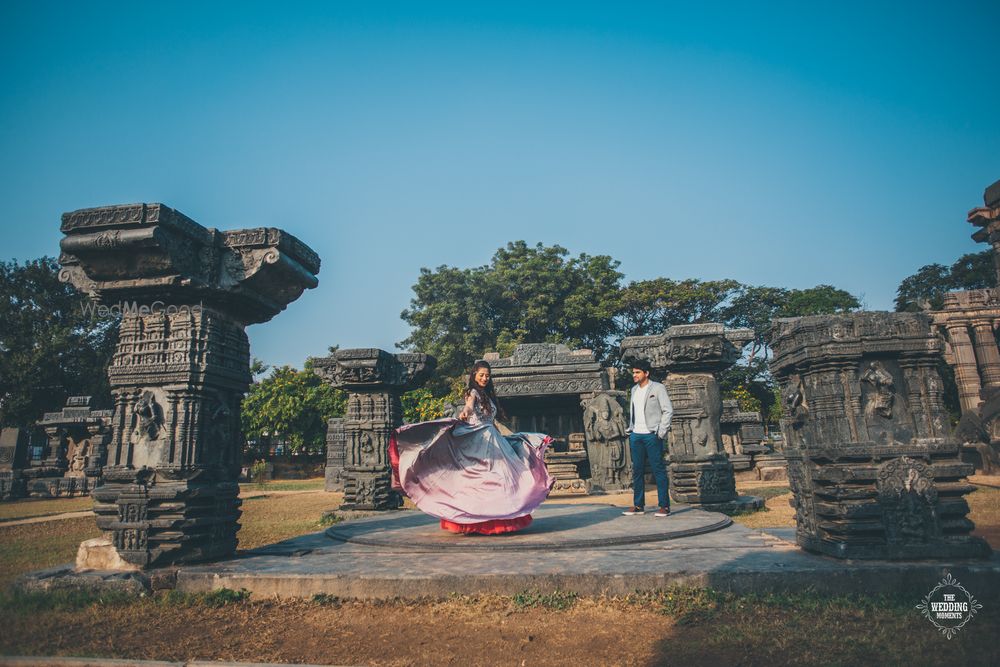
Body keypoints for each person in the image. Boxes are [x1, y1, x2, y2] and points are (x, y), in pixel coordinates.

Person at [390, 361, 554, 535]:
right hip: (479, 440)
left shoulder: (488, 396)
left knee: (504, 477)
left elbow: (491, 421)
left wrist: (502, 436)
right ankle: (477, 521)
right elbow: (469, 406)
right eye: (481, 375)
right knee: (483, 479)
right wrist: (465, 412)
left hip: (495, 440)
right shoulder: (473, 392)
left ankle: (500, 516)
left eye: (487, 375)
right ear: (474, 375)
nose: (484, 378)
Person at [622, 359, 673, 517]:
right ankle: (638, 505)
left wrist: (660, 431)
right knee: (637, 470)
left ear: (646, 373)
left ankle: (664, 506)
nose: (634, 375)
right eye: (634, 372)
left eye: (637, 372)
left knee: (658, 470)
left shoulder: (658, 388)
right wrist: (631, 429)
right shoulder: (633, 390)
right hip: (636, 435)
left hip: (652, 435)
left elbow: (668, 410)